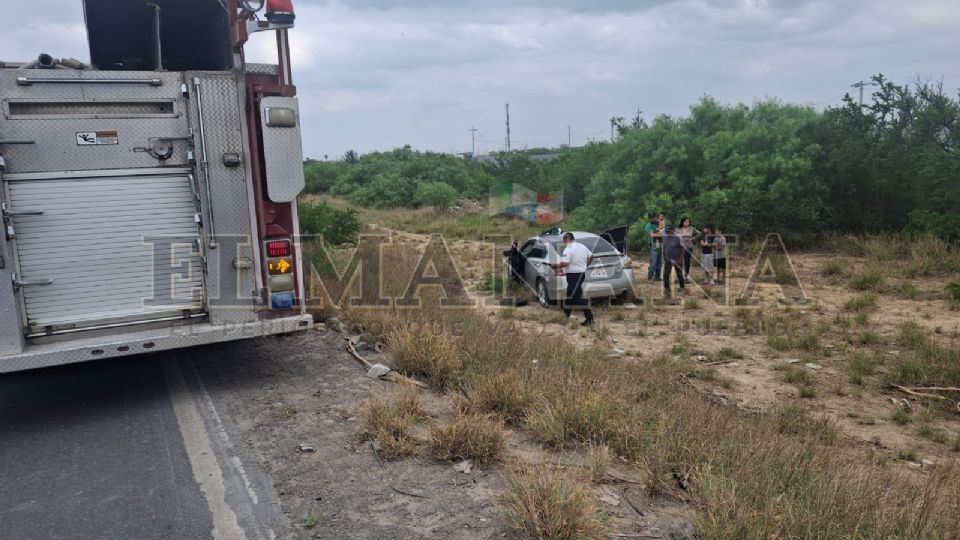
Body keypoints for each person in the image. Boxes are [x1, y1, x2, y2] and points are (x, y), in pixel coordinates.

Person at [549, 232, 595, 326]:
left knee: (578, 297)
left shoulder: (568, 248)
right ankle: (566, 314)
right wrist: (586, 265)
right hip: (581, 274)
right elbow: (591, 256)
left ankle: (590, 319)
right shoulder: (582, 246)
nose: (564, 242)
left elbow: (565, 263)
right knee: (570, 295)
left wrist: (555, 266)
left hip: (574, 276)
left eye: (564, 241)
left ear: (566, 239)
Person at [661, 225, 685, 298]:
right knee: (666, 274)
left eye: (669, 231)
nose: (668, 233)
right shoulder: (664, 236)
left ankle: (682, 287)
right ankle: (667, 289)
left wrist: (681, 259)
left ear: (673, 230)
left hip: (677, 259)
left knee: (679, 274)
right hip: (668, 259)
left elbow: (683, 248)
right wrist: (664, 255)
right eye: (666, 231)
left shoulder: (678, 237)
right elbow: (664, 246)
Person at [677, 217, 699, 281]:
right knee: (680, 262)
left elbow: (699, 233)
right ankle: (680, 276)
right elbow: (673, 234)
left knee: (687, 262)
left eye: (688, 222)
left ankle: (685, 277)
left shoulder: (692, 229)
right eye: (685, 221)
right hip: (680, 248)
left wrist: (694, 239)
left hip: (689, 247)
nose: (687, 223)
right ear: (682, 222)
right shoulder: (678, 229)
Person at [643, 212, 662, 282]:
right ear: (649, 218)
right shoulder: (648, 225)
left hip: (660, 243)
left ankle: (657, 276)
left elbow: (664, 230)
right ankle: (650, 277)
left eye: (654, 217)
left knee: (659, 262)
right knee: (653, 262)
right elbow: (652, 235)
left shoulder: (659, 223)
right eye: (651, 218)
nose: (653, 219)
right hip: (653, 244)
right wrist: (661, 234)